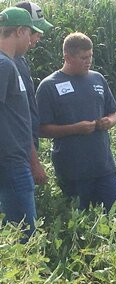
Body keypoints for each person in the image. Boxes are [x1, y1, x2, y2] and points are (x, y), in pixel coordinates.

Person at [36, 32, 116, 213]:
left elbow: (114, 113)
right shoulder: (49, 86)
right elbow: (41, 129)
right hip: (73, 170)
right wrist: (75, 129)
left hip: (104, 166)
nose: (88, 61)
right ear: (67, 57)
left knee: (114, 217)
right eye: (83, 57)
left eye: (90, 56)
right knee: (78, 222)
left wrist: (109, 121)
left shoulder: (98, 79)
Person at [0, 7, 43, 239]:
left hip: (16, 162)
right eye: (30, 34)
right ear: (19, 31)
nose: (31, 40)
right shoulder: (4, 65)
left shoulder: (11, 64)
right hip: (11, 165)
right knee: (23, 239)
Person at [15, 1, 53, 185]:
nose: (38, 37)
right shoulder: (7, 64)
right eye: (35, 31)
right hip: (16, 158)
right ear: (21, 30)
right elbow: (16, 118)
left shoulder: (20, 59)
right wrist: (34, 162)